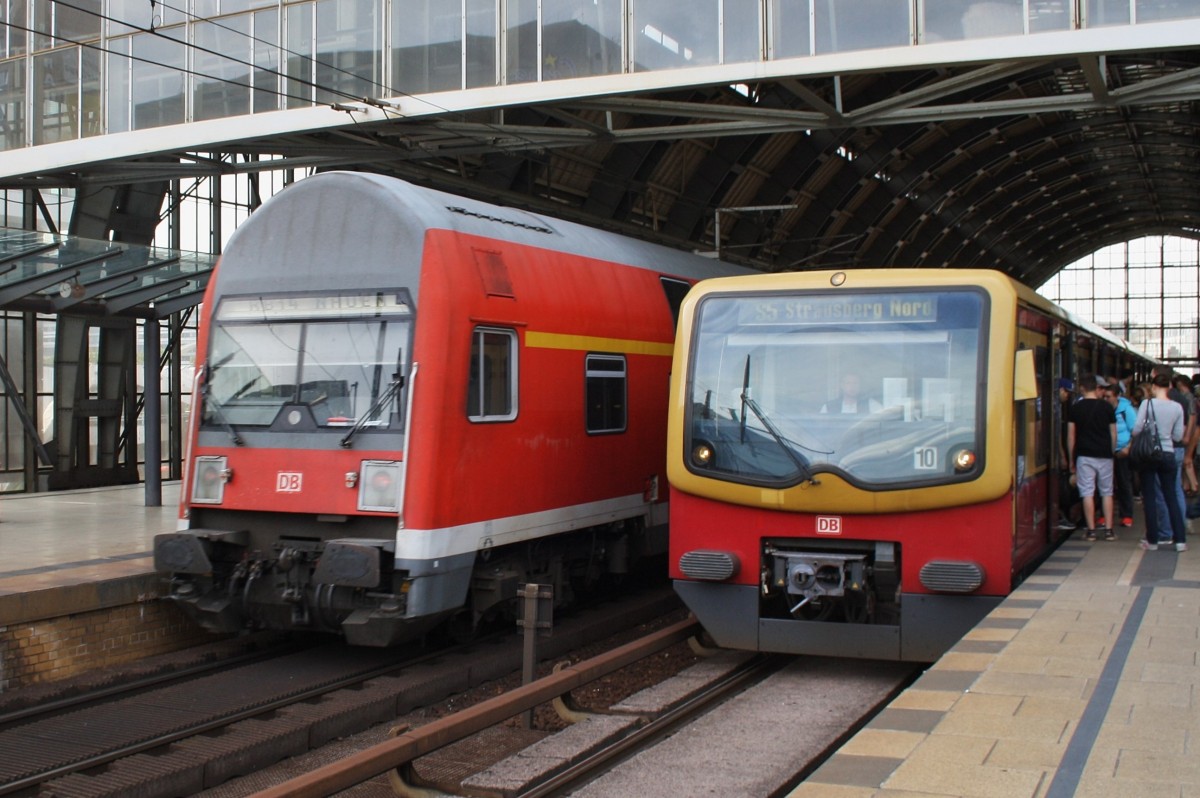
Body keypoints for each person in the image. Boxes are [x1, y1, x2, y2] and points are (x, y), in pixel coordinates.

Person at [1133, 373, 1187, 551]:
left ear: (1154, 387)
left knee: (1150, 497)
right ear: (1170, 386)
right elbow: (1178, 436)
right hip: (1168, 454)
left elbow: (1137, 429)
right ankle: (1180, 540)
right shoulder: (1177, 407)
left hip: (1149, 455)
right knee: (1171, 495)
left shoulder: (1146, 404)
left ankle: (1153, 541)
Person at [1068, 373, 1117, 541]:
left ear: (1082, 388)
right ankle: (1109, 530)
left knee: (1087, 492)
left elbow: (1071, 436)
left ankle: (1091, 530)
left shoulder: (1075, 408)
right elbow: (1113, 433)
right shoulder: (1107, 407)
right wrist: (1111, 451)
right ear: (1096, 388)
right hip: (1105, 455)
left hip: (1084, 455)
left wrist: (1071, 459)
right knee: (1107, 492)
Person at [1105, 381, 1137, 527]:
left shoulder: (1127, 410)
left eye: (1109, 397)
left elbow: (1136, 431)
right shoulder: (1104, 409)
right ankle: (1105, 515)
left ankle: (1126, 515)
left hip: (1123, 451)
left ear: (1117, 396)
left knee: (1124, 483)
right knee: (1106, 485)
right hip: (1107, 451)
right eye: (1105, 397)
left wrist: (1128, 448)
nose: (1107, 400)